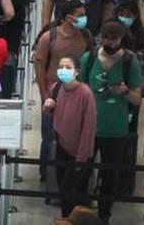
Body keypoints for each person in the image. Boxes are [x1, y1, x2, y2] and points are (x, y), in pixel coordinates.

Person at [78, 20, 140, 221]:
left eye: (115, 39)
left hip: (115, 130)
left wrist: (125, 92)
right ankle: (80, 212)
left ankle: (104, 215)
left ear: (121, 39)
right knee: (82, 173)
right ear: (101, 37)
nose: (110, 43)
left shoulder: (131, 62)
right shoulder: (89, 59)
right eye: (107, 38)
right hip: (89, 128)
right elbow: (80, 89)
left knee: (110, 176)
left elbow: (137, 98)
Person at [44, 56, 97, 218]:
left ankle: (69, 220)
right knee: (63, 190)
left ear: (77, 71)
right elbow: (48, 111)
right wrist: (47, 106)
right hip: (62, 147)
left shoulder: (85, 94)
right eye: (61, 67)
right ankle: (67, 219)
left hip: (80, 153)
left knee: (71, 191)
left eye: (68, 67)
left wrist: (81, 158)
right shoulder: (57, 87)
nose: (64, 70)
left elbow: (89, 128)